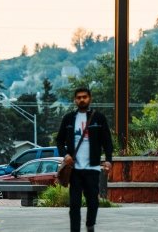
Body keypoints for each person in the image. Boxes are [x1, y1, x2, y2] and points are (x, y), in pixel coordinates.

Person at [56, 87, 113, 232]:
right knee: (74, 204)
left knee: (93, 202)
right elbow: (59, 141)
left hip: (92, 168)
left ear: (90, 98)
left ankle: (90, 225)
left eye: (85, 97)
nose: (82, 99)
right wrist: (66, 155)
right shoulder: (68, 118)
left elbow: (107, 141)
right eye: (79, 97)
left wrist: (108, 160)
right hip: (74, 169)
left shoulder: (99, 118)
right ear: (75, 100)